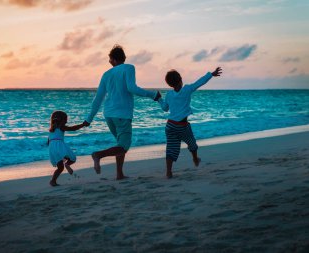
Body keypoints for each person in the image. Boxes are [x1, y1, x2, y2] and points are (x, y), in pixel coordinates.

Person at [83, 44, 161, 180]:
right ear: (123, 57)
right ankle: (98, 155)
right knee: (123, 146)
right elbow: (132, 88)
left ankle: (119, 174)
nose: (109, 62)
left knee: (120, 143)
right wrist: (153, 95)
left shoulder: (106, 74)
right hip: (122, 114)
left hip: (108, 115)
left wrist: (89, 119)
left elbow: (98, 98)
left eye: (109, 59)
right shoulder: (129, 68)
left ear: (112, 59)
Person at [157, 67, 222, 178]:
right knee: (192, 143)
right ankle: (195, 159)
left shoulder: (169, 95)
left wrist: (159, 99)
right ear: (181, 80)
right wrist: (211, 74)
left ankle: (168, 171)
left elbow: (165, 108)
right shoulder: (186, 89)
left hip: (170, 125)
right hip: (182, 126)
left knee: (171, 148)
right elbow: (199, 82)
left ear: (170, 85)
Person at [48, 110, 87, 186]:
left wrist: (52, 150)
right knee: (72, 158)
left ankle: (53, 181)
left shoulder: (51, 130)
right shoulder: (61, 127)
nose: (66, 121)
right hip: (60, 145)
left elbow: (49, 141)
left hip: (52, 148)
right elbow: (73, 128)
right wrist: (83, 125)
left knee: (60, 167)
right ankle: (67, 164)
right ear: (62, 120)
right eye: (66, 119)